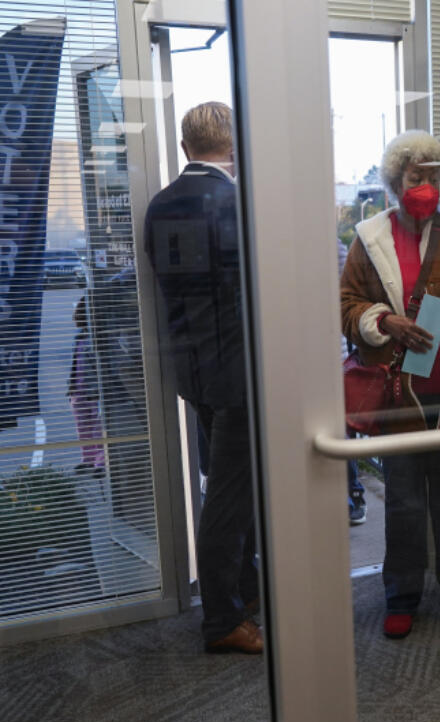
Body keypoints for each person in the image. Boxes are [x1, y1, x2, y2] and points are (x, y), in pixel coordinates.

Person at [339, 130, 440, 639]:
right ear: (395, 180)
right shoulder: (370, 237)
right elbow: (345, 305)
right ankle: (401, 594)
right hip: (397, 396)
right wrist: (385, 321)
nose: (426, 185)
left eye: (434, 175)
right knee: (405, 502)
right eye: (416, 176)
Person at [144, 101, 262, 655]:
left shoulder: (160, 205)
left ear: (186, 145)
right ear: (233, 146)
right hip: (240, 377)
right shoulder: (239, 203)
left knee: (228, 487)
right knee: (231, 499)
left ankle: (245, 591)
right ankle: (222, 620)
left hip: (193, 373)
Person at [338, 236, 366, 526]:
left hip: (332, 357)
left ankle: (353, 494)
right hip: (325, 355)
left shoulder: (334, 248)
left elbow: (345, 302)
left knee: (342, 431)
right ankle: (353, 494)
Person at [67, 298, 104, 476]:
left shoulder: (98, 339)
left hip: (94, 390)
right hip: (79, 390)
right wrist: (71, 388)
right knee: (82, 427)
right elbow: (75, 364)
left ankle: (101, 462)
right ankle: (88, 459)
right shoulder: (80, 338)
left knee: (98, 428)